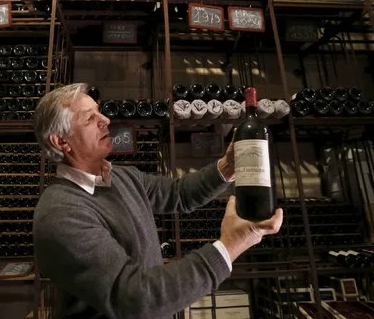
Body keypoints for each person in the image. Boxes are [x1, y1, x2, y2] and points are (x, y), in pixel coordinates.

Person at [33, 83, 283, 319]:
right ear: (61, 141)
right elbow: (135, 298)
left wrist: (227, 167)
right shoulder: (61, 213)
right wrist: (231, 245)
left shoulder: (121, 176)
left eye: (99, 112)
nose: (106, 120)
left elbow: (178, 194)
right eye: (89, 118)